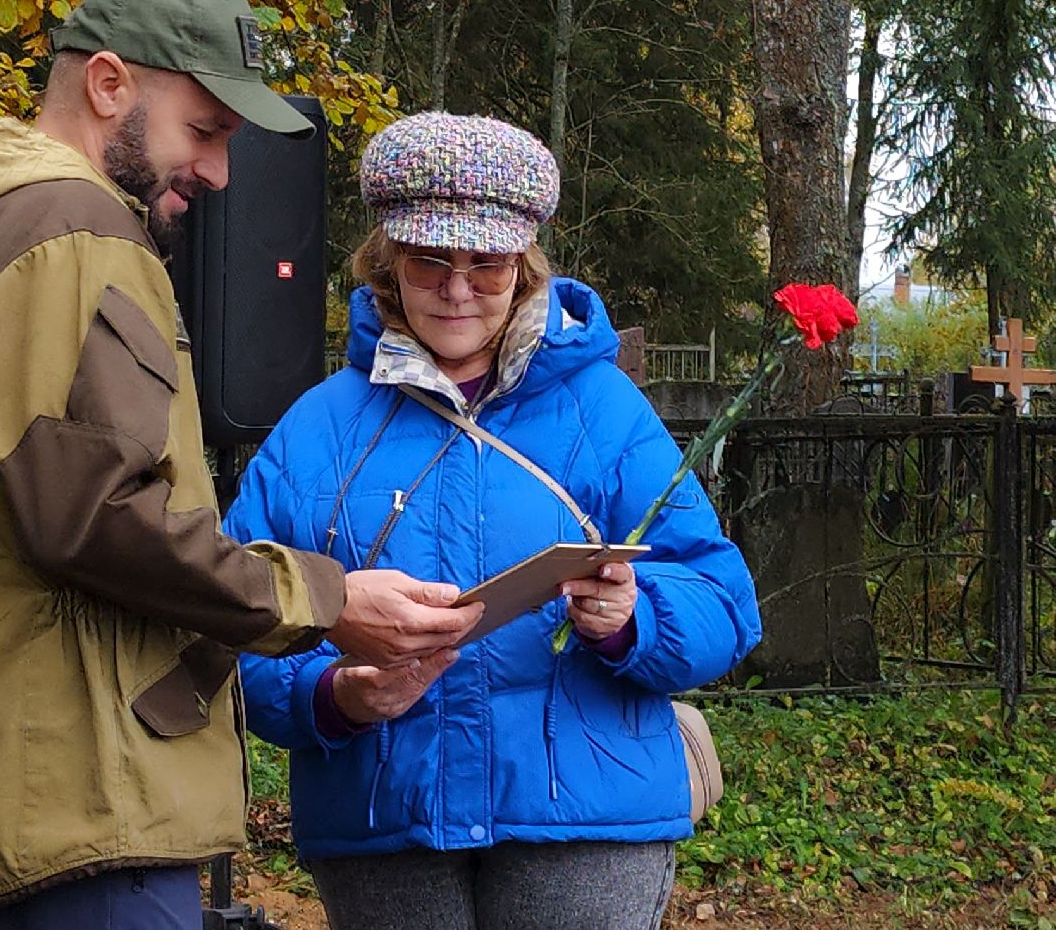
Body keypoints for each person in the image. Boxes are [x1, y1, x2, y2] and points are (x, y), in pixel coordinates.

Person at [0, 0, 482, 929]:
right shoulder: (71, 227)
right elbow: (96, 516)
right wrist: (322, 599)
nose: (218, 172)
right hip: (84, 795)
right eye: (203, 131)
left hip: (31, 787)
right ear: (108, 84)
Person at [225, 112, 763, 930]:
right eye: (429, 262)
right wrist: (335, 696)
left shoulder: (603, 411)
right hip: (383, 816)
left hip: (584, 818)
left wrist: (630, 620)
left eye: (487, 264)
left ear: (525, 265)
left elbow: (722, 599)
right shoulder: (318, 429)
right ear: (386, 261)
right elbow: (233, 618)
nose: (457, 288)